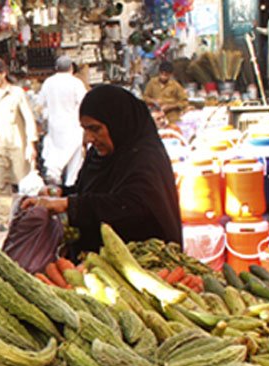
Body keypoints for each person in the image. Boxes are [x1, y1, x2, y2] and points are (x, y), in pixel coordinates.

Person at [24, 85, 182, 257]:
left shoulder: (145, 159)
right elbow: (89, 190)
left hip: (143, 261)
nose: (89, 138)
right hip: (98, 261)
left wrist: (68, 205)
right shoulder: (100, 154)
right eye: (85, 129)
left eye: (95, 129)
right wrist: (59, 193)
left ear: (117, 123)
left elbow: (130, 207)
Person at [0, 58, 37, 232]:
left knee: (24, 185)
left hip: (17, 145)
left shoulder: (16, 93)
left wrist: (31, 144)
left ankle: (29, 218)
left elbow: (29, 118)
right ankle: (3, 220)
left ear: (3, 73)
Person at [38, 56, 87, 187]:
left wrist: (45, 117)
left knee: (55, 154)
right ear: (71, 68)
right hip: (73, 125)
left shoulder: (48, 82)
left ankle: (54, 180)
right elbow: (84, 104)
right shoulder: (76, 83)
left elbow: (40, 105)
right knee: (75, 160)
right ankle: (71, 186)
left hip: (55, 126)